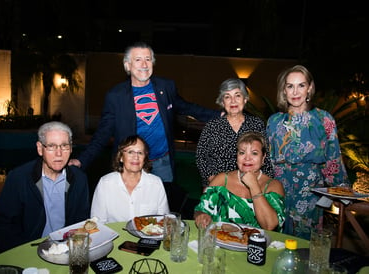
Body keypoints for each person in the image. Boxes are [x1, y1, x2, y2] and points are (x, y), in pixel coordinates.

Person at [69, 41, 221, 214]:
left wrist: (220, 116)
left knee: (161, 209)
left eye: (148, 59)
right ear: (127, 65)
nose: (144, 64)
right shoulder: (116, 96)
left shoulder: (165, 87)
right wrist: (82, 160)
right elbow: (103, 134)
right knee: (130, 208)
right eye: (138, 60)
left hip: (162, 161)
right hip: (131, 163)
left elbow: (186, 107)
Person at [266, 65, 350, 239]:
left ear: (310, 88)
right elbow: (266, 160)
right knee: (274, 242)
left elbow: (333, 159)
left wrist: (341, 190)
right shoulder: (274, 121)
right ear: (284, 90)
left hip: (310, 194)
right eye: (290, 86)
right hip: (277, 190)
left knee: (305, 247)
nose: (295, 91)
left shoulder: (323, 119)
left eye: (301, 85)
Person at [0, 121, 90, 252]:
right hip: (30, 250)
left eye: (64, 146)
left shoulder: (79, 179)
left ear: (70, 148)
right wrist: (23, 253)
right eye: (52, 146)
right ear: (40, 149)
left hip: (67, 249)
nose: (59, 153)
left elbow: (81, 221)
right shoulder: (19, 178)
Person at [194, 131, 285, 232]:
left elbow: (269, 226)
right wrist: (201, 215)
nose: (247, 158)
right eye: (242, 152)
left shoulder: (273, 185)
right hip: (220, 241)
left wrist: (254, 186)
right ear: (237, 157)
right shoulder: (222, 180)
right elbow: (200, 210)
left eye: (254, 153)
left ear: (263, 158)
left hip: (256, 246)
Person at [196, 78, 274, 188]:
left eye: (237, 95)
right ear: (223, 102)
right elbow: (201, 157)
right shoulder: (212, 126)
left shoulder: (256, 124)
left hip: (250, 187)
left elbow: (265, 157)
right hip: (218, 187)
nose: (233, 101)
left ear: (245, 99)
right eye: (227, 97)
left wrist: (262, 185)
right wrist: (215, 181)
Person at [90, 135, 169, 223]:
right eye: (130, 152)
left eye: (140, 153)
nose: (136, 157)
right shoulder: (105, 183)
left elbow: (164, 221)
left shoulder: (156, 183)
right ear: (121, 157)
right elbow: (97, 222)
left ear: (145, 158)